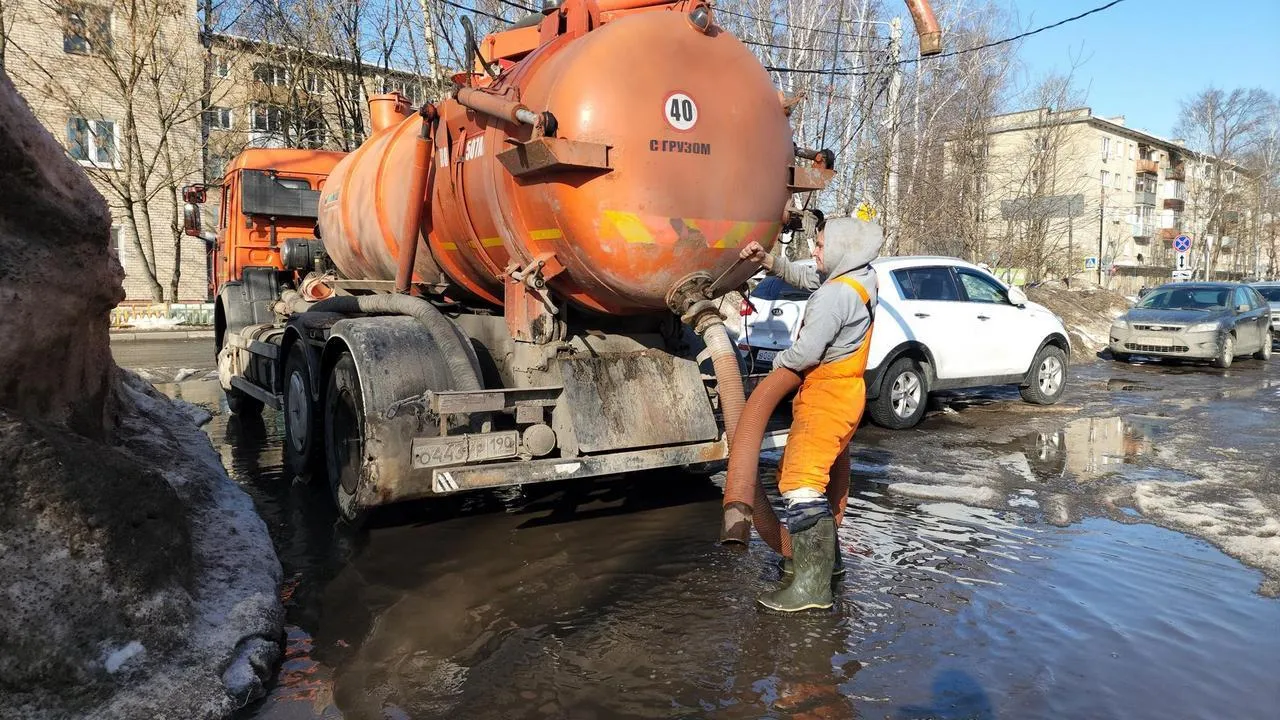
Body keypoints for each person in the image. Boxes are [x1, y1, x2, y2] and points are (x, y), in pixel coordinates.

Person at [739, 212, 883, 612]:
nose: (813, 252)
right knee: (805, 476)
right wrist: (770, 263)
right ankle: (826, 567)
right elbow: (810, 278)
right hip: (841, 392)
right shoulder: (859, 277)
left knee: (801, 485)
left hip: (827, 397)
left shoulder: (836, 297)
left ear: (838, 250)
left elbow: (805, 353)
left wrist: (774, 367)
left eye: (819, 246)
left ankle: (811, 590)